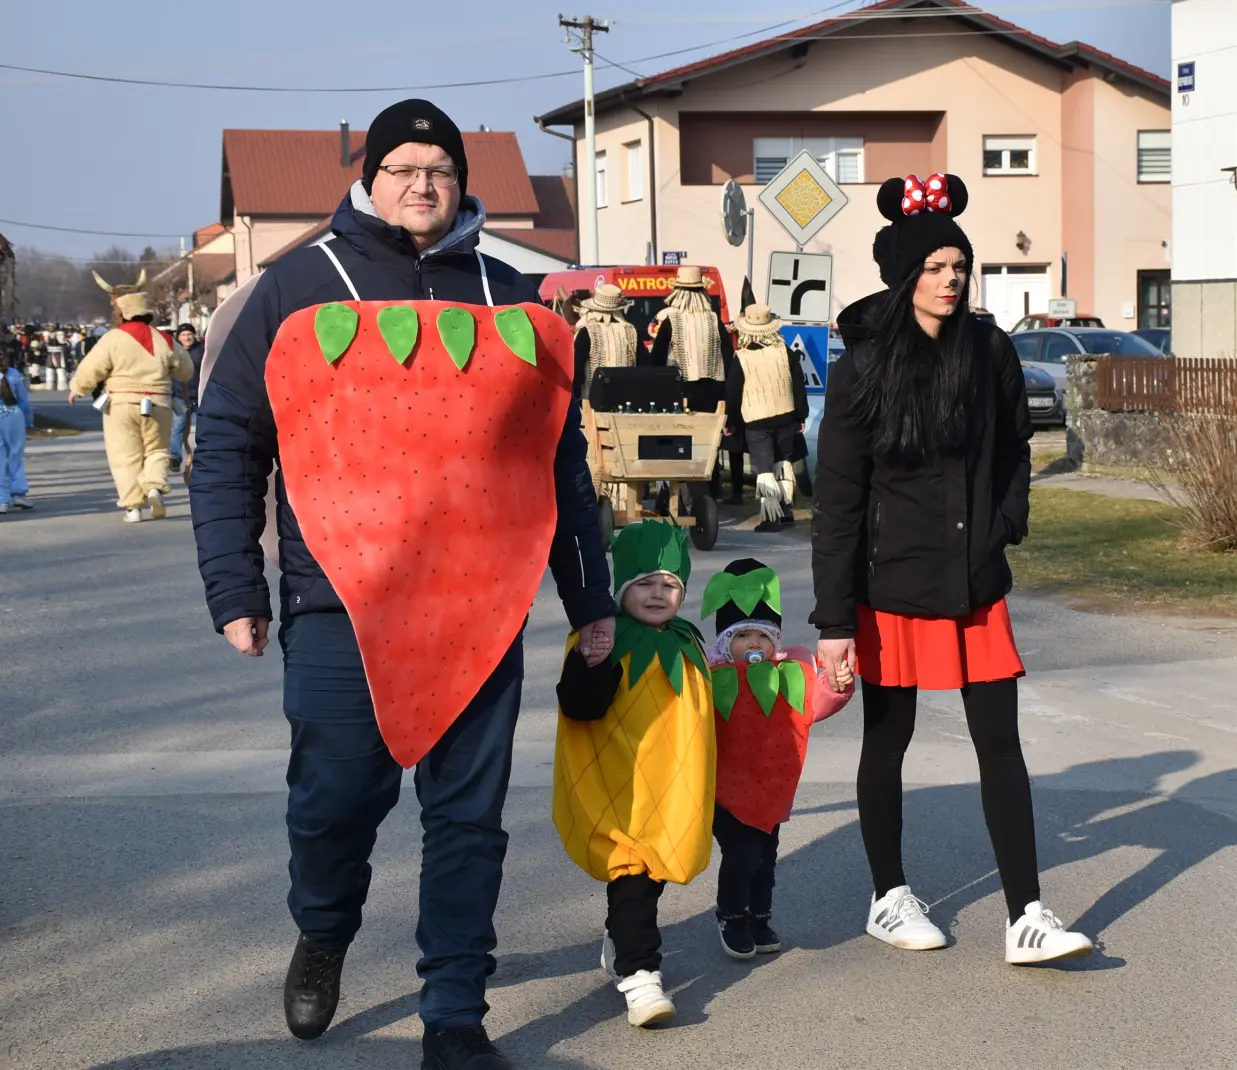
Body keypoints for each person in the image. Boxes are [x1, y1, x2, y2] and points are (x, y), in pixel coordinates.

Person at [190, 97, 616, 1070]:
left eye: (440, 170)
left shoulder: (510, 299)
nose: (423, 185)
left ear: (461, 186)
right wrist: (234, 586)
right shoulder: (296, 288)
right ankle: (326, 926)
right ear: (369, 180)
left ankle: (454, 1014)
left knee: (467, 816)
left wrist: (589, 602)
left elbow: (556, 468)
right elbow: (227, 444)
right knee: (334, 798)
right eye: (404, 168)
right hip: (337, 600)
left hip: (480, 601)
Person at [810, 174, 1093, 964]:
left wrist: (1007, 522)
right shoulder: (865, 366)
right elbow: (837, 498)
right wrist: (834, 625)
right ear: (905, 276)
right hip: (890, 582)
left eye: (959, 267)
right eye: (935, 268)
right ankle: (888, 896)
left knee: (999, 740)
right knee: (888, 738)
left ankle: (1026, 914)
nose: (950, 281)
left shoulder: (990, 349)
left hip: (975, 581)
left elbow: (1012, 449)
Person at [551, 520, 714, 1028]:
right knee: (634, 879)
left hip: (667, 791)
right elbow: (581, 708)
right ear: (620, 586)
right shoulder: (601, 638)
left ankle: (621, 940)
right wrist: (591, 664)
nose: (657, 593)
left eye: (669, 584)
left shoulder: (687, 642)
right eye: (643, 582)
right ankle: (641, 976)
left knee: (650, 878)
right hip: (617, 791)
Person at [699, 558, 852, 958]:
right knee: (742, 854)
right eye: (743, 635)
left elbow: (816, 704)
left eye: (763, 636)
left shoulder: (791, 674)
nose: (754, 644)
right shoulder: (711, 678)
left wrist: (836, 686)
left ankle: (759, 916)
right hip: (725, 790)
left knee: (765, 857)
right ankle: (731, 914)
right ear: (724, 642)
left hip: (771, 788)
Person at [69, 290, 194, 523]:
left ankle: (133, 507)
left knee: (124, 455)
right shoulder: (164, 339)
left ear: (123, 313)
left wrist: (77, 388)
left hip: (121, 404)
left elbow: (92, 367)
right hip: (158, 402)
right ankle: (155, 487)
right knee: (157, 450)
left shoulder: (113, 338)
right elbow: (185, 370)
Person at [647, 265, 733, 498]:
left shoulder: (672, 319)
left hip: (681, 390)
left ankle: (673, 491)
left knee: (677, 441)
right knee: (709, 442)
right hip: (713, 391)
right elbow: (728, 356)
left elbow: (656, 359)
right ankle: (710, 490)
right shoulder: (714, 320)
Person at [725, 304, 807, 532]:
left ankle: (771, 519)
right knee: (783, 463)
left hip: (757, 420)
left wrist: (730, 421)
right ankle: (786, 509)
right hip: (786, 416)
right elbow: (798, 385)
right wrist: (801, 415)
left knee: (765, 470)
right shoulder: (785, 351)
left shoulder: (741, 358)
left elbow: (733, 393)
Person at [572, 284, 646, 396]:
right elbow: (644, 365)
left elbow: (577, 368)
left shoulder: (587, 331)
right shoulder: (631, 330)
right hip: (627, 397)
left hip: (594, 397)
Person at [0, 355, 32, 514]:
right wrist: (28, 422)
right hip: (14, 415)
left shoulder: (13, 374)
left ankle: (2, 499)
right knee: (15, 455)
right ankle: (18, 493)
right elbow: (24, 400)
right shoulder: (13, 373)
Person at [169, 323, 200, 471]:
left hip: (200, 398)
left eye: (189, 334)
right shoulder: (175, 352)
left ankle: (204, 456)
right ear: (178, 337)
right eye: (183, 335)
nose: (187, 337)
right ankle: (175, 457)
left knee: (205, 427)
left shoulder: (201, 350)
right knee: (178, 427)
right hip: (180, 398)